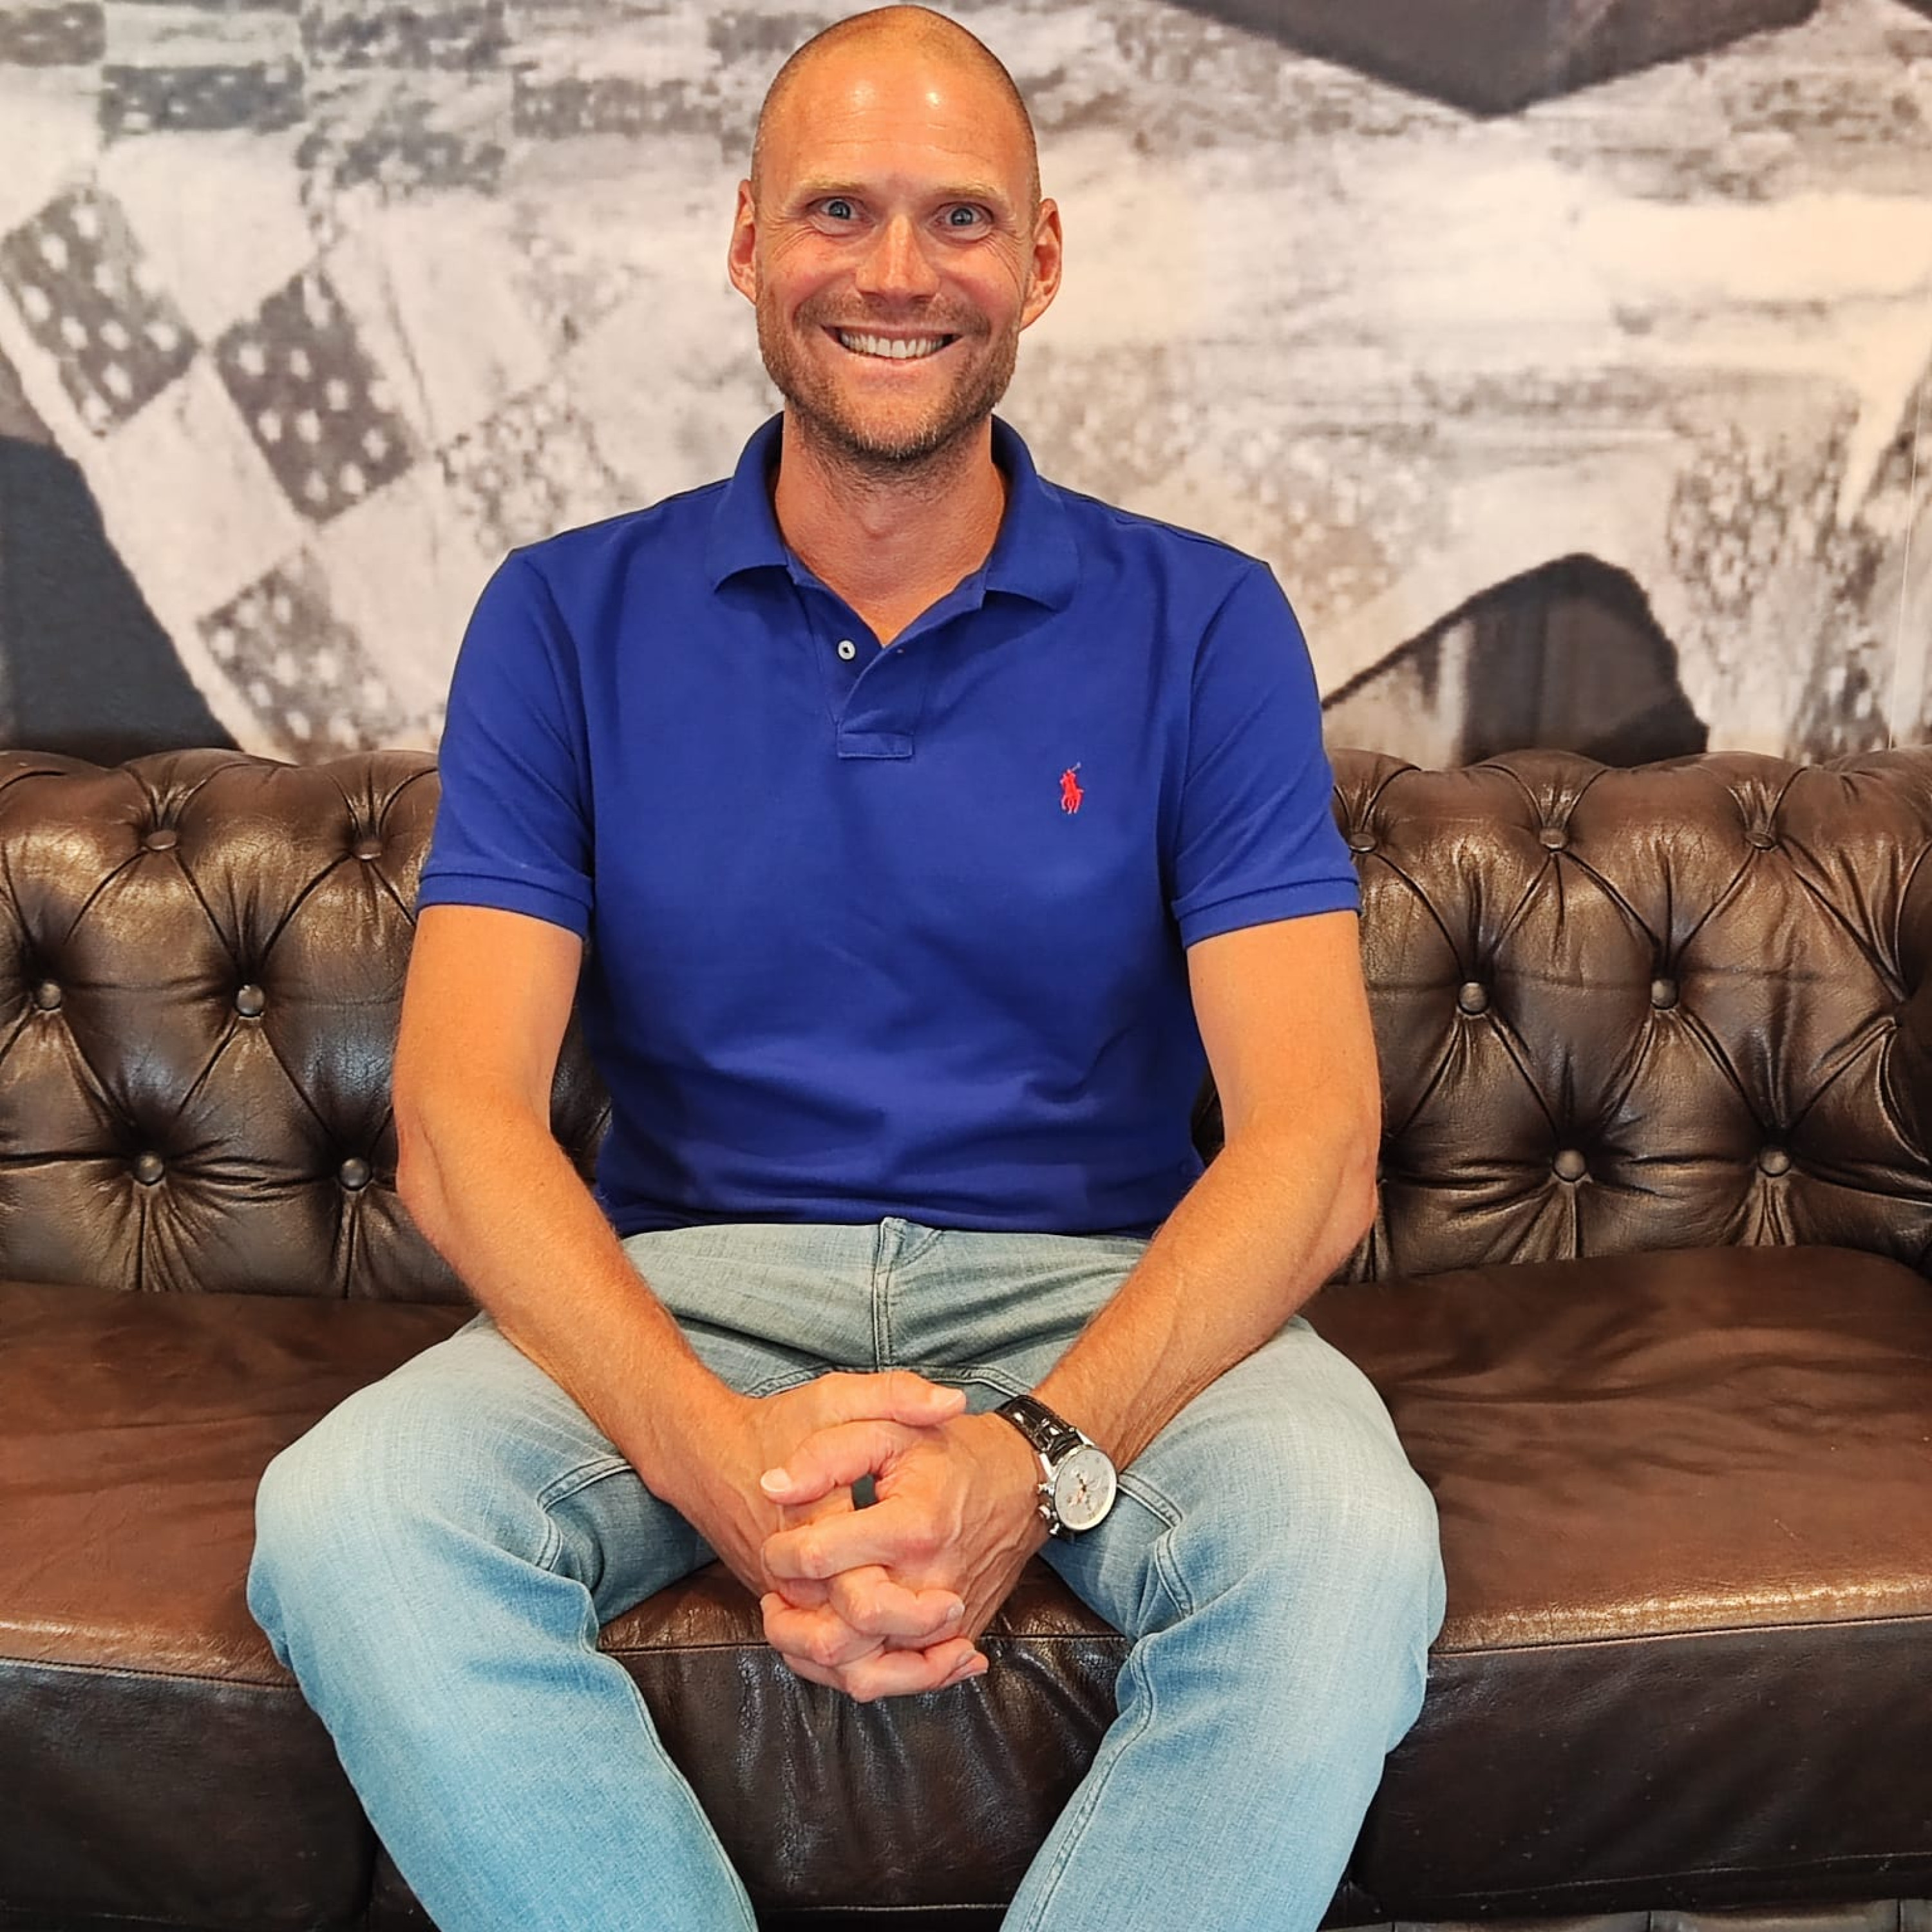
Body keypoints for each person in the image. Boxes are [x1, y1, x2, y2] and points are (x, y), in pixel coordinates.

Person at [247, 8, 1445, 1929]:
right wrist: (719, 1466)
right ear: (748, 243)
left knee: (1347, 1547)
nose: (897, 272)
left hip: (1097, 1287)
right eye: (836, 210)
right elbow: (463, 1129)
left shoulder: (1206, 618)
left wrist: (1035, 1457)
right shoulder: (562, 615)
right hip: (696, 1288)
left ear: (1040, 262)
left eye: (961, 217)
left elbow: (1313, 1144)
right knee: (349, 1523)